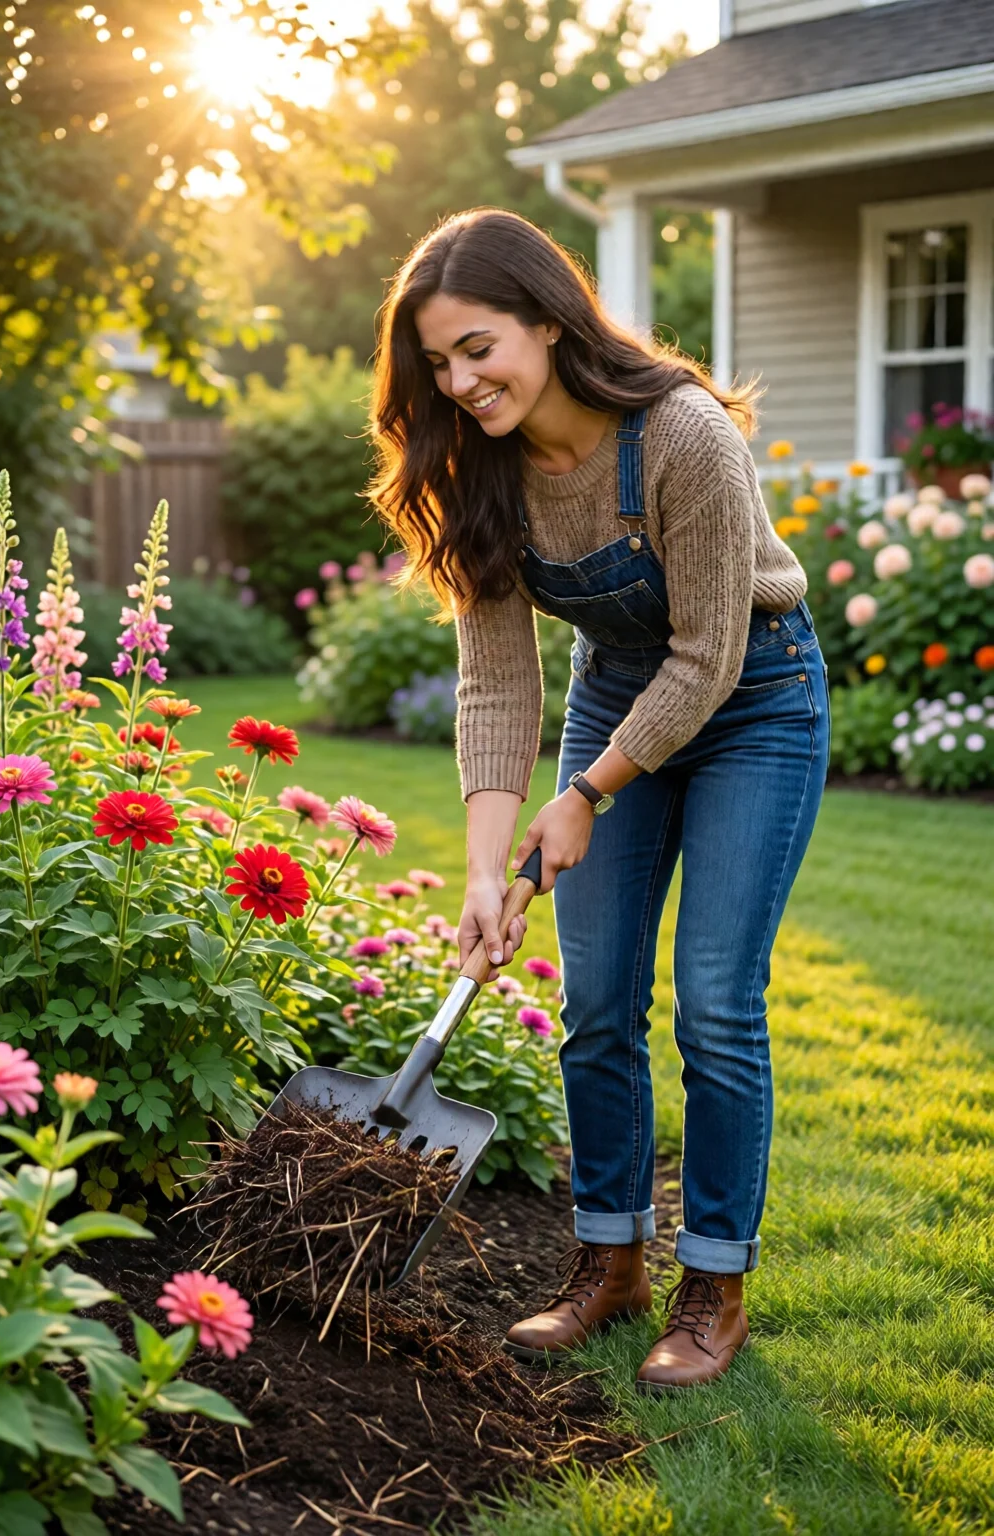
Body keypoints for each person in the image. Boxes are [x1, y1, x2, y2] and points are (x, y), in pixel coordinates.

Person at [368, 208, 829, 1392]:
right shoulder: (484, 471)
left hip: (752, 703)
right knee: (596, 1005)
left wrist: (581, 795)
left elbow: (708, 655)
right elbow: (495, 684)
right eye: (439, 365)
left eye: (479, 348)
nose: (462, 383)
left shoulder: (680, 434)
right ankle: (608, 1263)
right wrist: (484, 871)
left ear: (546, 319)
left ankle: (713, 1286)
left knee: (716, 1002)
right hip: (615, 696)